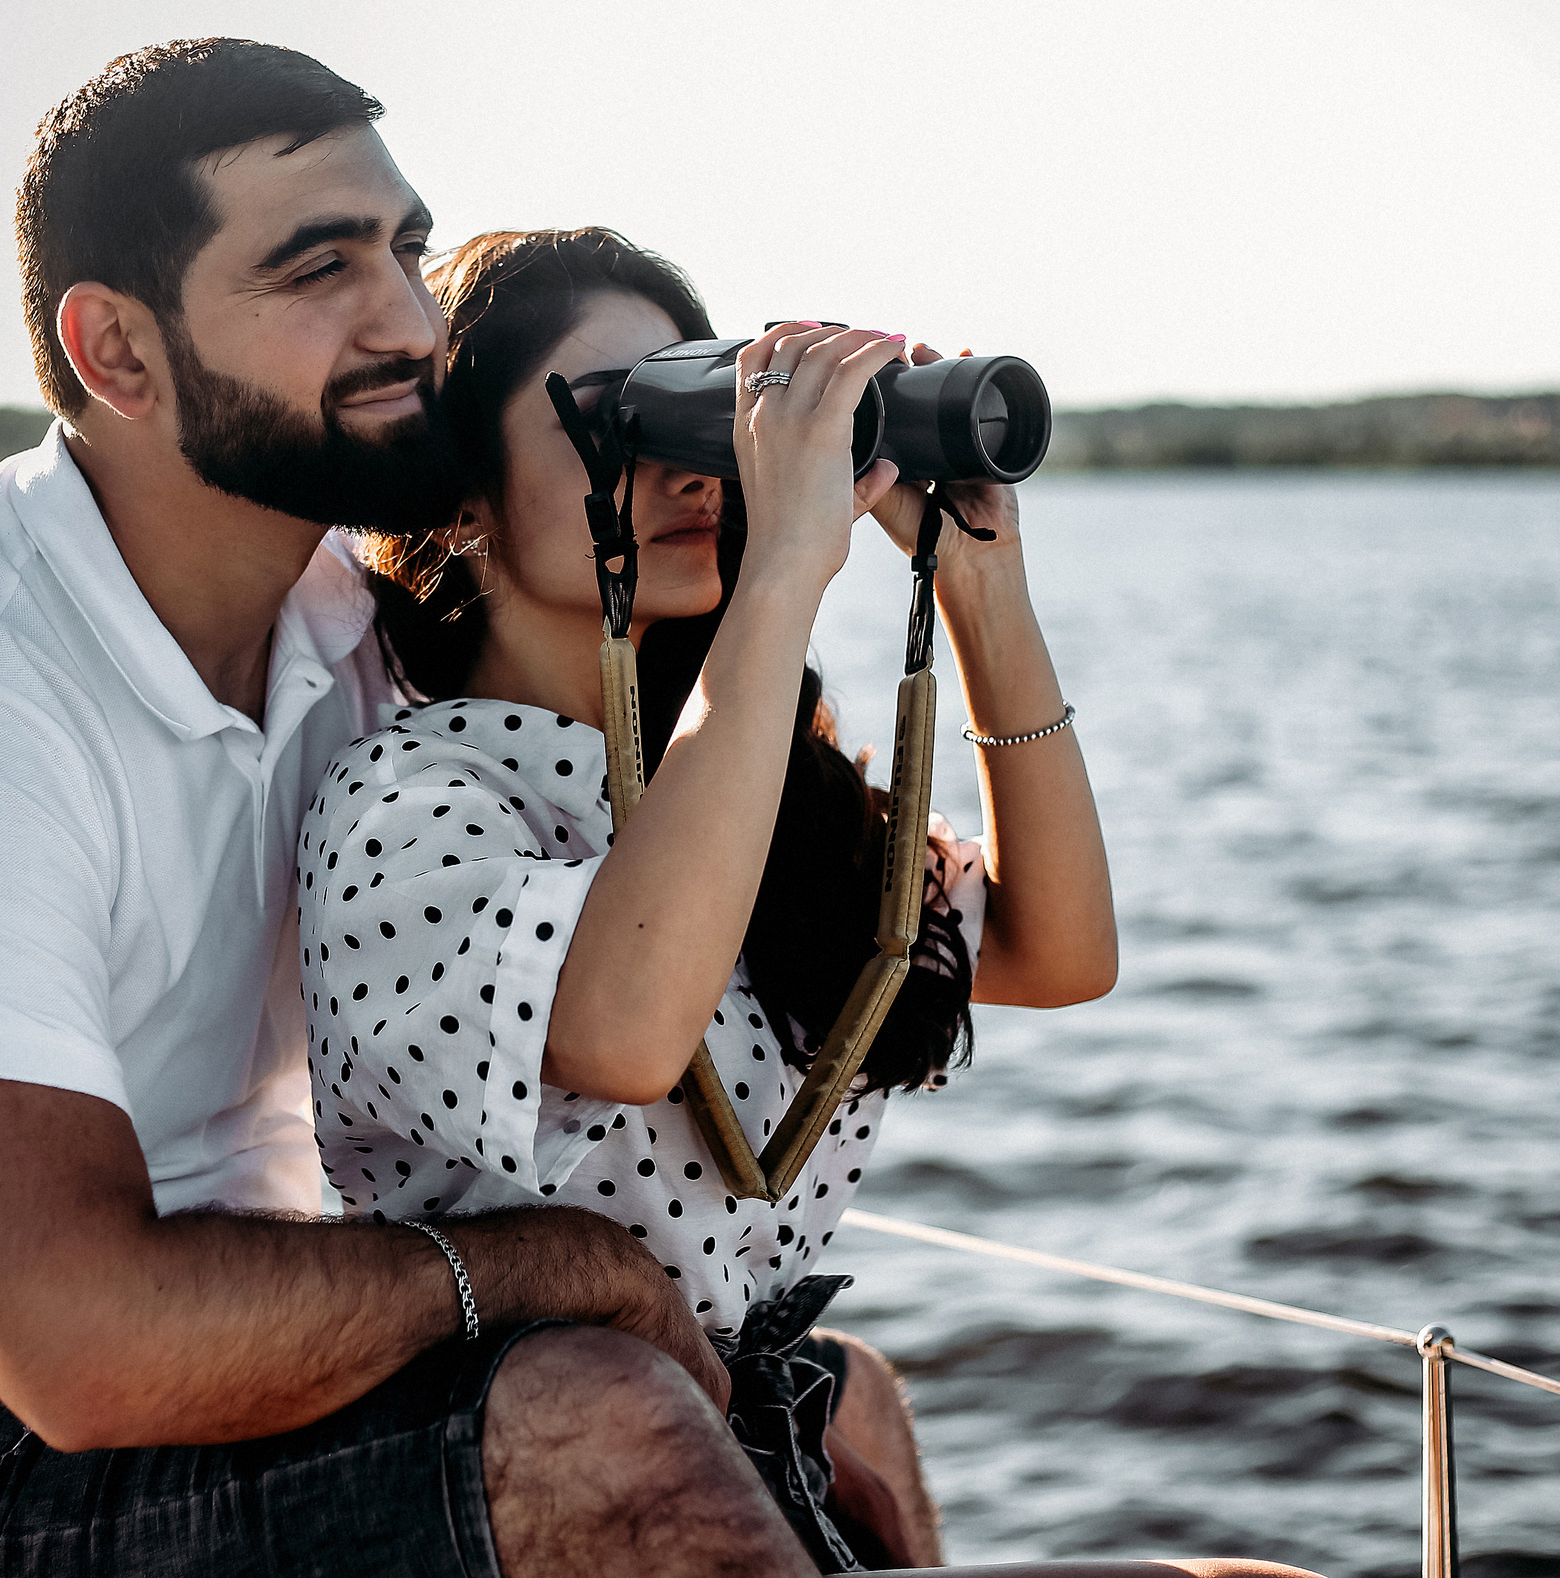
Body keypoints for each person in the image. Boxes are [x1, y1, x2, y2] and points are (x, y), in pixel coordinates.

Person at [0, 40, 1318, 1578]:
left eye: (409, 249)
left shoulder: (342, 632)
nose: (408, 318)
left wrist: (955, 576)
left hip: (204, 1349)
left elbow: (1010, 934)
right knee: (595, 1425)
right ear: (113, 348)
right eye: (317, 266)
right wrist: (556, 1267)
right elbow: (80, 1344)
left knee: (823, 1395)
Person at [302, 229, 1117, 1569]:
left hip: (750, 1450)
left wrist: (980, 583)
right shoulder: (406, 809)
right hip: (523, 1497)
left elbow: (1061, 950)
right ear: (464, 493)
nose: (690, 468)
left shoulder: (750, 787)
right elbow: (627, 1026)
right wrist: (786, 574)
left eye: (705, 412)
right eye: (621, 423)